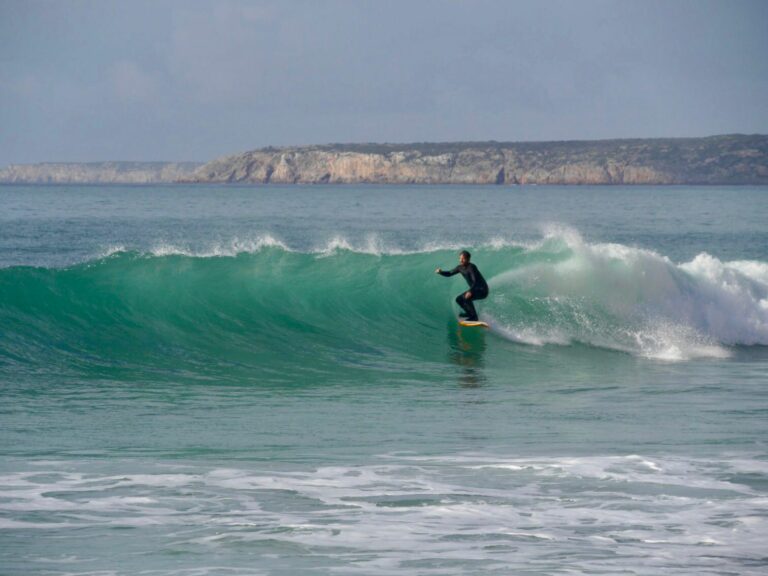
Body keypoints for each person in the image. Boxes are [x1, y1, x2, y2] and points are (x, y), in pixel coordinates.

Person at [435, 250, 489, 321]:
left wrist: (470, 291)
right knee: (459, 299)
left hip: (482, 290)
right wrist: (441, 272)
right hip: (475, 289)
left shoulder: (471, 267)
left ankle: (474, 317)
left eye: (463, 259)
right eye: (460, 258)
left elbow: (475, 281)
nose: (461, 260)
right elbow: (450, 273)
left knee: (466, 298)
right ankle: (469, 313)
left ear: (468, 259)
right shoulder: (459, 268)